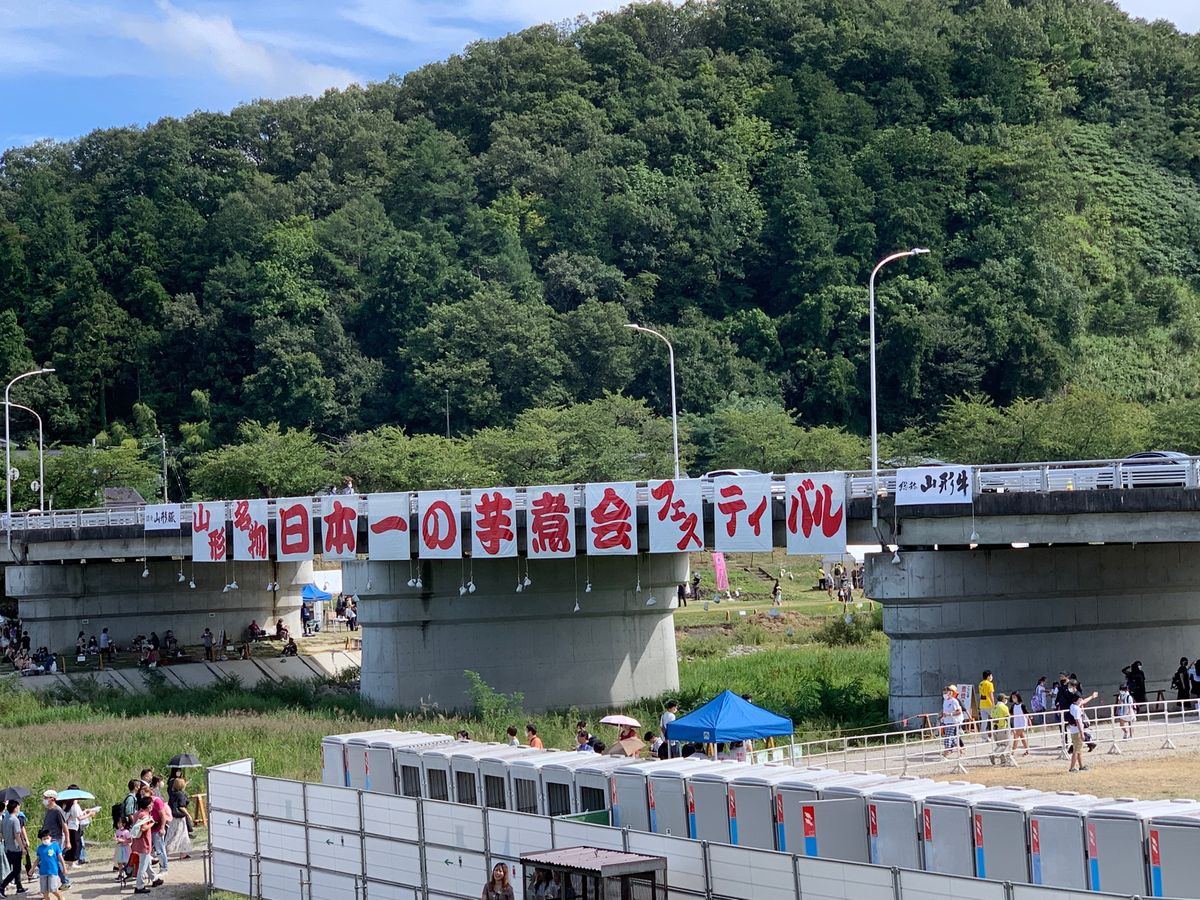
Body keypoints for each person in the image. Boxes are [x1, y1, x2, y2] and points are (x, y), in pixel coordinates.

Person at [1067, 687, 1100, 773]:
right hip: (1077, 731)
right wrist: (1082, 733)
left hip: (1074, 731)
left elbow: (1084, 701)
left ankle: (1081, 766)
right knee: (1076, 750)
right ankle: (1072, 768)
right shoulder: (1076, 709)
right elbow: (1078, 722)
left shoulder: (1072, 706)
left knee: (1079, 749)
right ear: (1076, 699)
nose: (1081, 699)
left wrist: (1092, 696)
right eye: (1080, 698)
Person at [129, 795, 156, 894]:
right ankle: (139, 886)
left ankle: (154, 878)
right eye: (151, 804)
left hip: (137, 842)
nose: (152, 805)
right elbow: (144, 828)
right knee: (143, 866)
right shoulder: (145, 815)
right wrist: (152, 823)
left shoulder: (137, 813)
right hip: (144, 843)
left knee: (147, 862)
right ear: (148, 806)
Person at [38, 793, 68, 882]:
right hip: (47, 838)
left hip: (56, 838)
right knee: (44, 859)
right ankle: (58, 879)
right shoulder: (48, 810)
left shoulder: (57, 810)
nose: (44, 799)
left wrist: (68, 840)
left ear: (52, 798)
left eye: (46, 798)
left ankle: (65, 880)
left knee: (55, 860)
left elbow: (64, 825)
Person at [1, 799, 28, 895]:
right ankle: (2, 886)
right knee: (16, 870)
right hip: (15, 848)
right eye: (18, 806)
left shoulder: (4, 819)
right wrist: (23, 847)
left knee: (13, 868)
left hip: (7, 847)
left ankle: (19, 887)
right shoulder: (15, 820)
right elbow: (17, 836)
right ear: (15, 808)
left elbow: (2, 834)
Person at [165, 776, 193, 859]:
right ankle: (177, 852)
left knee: (172, 833)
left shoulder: (172, 793)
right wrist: (188, 814)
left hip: (172, 816)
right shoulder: (181, 795)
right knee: (180, 834)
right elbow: (181, 806)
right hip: (179, 817)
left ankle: (182, 852)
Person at [34, 829, 63, 900]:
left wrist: (64, 867)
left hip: (53, 871)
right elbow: (38, 859)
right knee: (44, 891)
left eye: (47, 838)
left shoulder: (55, 846)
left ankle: (61, 898)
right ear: (41, 839)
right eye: (44, 838)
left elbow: (60, 857)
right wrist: (32, 868)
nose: (46, 840)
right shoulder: (40, 848)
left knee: (53, 889)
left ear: (50, 837)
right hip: (43, 872)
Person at [940, 685, 964, 758]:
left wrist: (949, 714)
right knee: (954, 738)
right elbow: (945, 711)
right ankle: (961, 751)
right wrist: (942, 715)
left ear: (950, 693)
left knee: (948, 737)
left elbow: (959, 711)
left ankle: (945, 754)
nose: (944, 694)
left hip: (954, 722)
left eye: (946, 692)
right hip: (947, 722)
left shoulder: (954, 701)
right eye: (944, 692)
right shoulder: (945, 701)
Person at [989, 693, 1012, 765]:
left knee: (1000, 745)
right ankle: (993, 754)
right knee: (1004, 745)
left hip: (995, 728)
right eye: (1005, 698)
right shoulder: (1004, 707)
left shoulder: (995, 707)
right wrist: (1010, 727)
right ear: (1003, 699)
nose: (1006, 700)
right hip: (1002, 728)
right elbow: (1007, 717)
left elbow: (991, 718)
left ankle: (1003, 760)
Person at [1010, 691, 1030, 755]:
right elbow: (1010, 714)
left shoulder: (1022, 705)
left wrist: (1029, 722)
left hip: (1022, 723)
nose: (1013, 699)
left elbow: (1027, 714)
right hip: (1016, 723)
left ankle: (1012, 752)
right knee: (1022, 737)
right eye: (1012, 697)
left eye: (1014, 697)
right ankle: (1027, 750)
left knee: (1016, 736)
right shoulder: (1013, 706)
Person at [978, 671, 995, 736]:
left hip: (982, 704)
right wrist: (993, 703)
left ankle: (983, 736)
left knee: (984, 721)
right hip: (989, 704)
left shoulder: (981, 683)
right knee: (995, 718)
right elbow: (991, 694)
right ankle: (995, 733)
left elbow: (980, 694)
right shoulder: (989, 684)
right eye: (991, 676)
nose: (991, 677)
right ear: (988, 676)